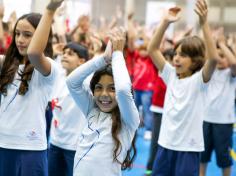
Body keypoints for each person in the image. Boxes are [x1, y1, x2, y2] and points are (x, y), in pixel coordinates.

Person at [147, 0, 219, 175]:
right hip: (165, 145)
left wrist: (203, 24)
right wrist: (165, 22)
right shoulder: (171, 75)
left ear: (195, 60)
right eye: (176, 54)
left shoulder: (199, 81)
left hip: (188, 148)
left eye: (183, 55)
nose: (177, 58)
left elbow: (213, 59)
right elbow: (153, 49)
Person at [0, 0, 63, 175]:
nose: (20, 40)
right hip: (3, 144)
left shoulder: (48, 67)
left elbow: (34, 52)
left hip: (30, 148)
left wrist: (50, 10)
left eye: (27, 35)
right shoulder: (6, 64)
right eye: (17, 34)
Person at [66, 28, 140, 176]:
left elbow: (124, 90)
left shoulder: (129, 119)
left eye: (112, 88)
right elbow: (72, 82)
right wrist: (103, 59)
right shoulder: (91, 109)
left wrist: (118, 54)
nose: (104, 94)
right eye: (99, 88)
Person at [48, 42, 89, 176]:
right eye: (64, 53)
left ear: (81, 61)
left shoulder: (85, 83)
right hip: (55, 143)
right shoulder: (58, 76)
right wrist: (53, 52)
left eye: (70, 54)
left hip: (74, 147)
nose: (64, 56)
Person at [199, 29, 236, 176]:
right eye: (218, 56)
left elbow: (233, 63)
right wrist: (213, 42)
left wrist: (222, 43)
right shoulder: (208, 72)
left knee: (224, 158)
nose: (220, 59)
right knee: (202, 156)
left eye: (223, 56)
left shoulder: (231, 75)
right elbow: (206, 56)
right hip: (205, 119)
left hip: (223, 123)